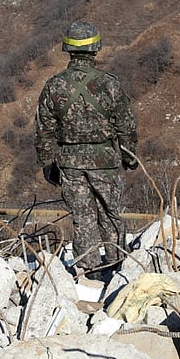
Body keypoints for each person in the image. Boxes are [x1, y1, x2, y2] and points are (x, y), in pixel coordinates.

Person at [35, 21, 138, 279]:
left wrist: (48, 164)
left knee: (82, 218)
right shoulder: (109, 84)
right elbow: (125, 125)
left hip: (70, 163)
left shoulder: (54, 86)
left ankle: (90, 272)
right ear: (96, 48)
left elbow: (44, 130)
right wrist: (128, 156)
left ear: (68, 49)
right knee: (110, 214)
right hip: (104, 161)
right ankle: (117, 268)